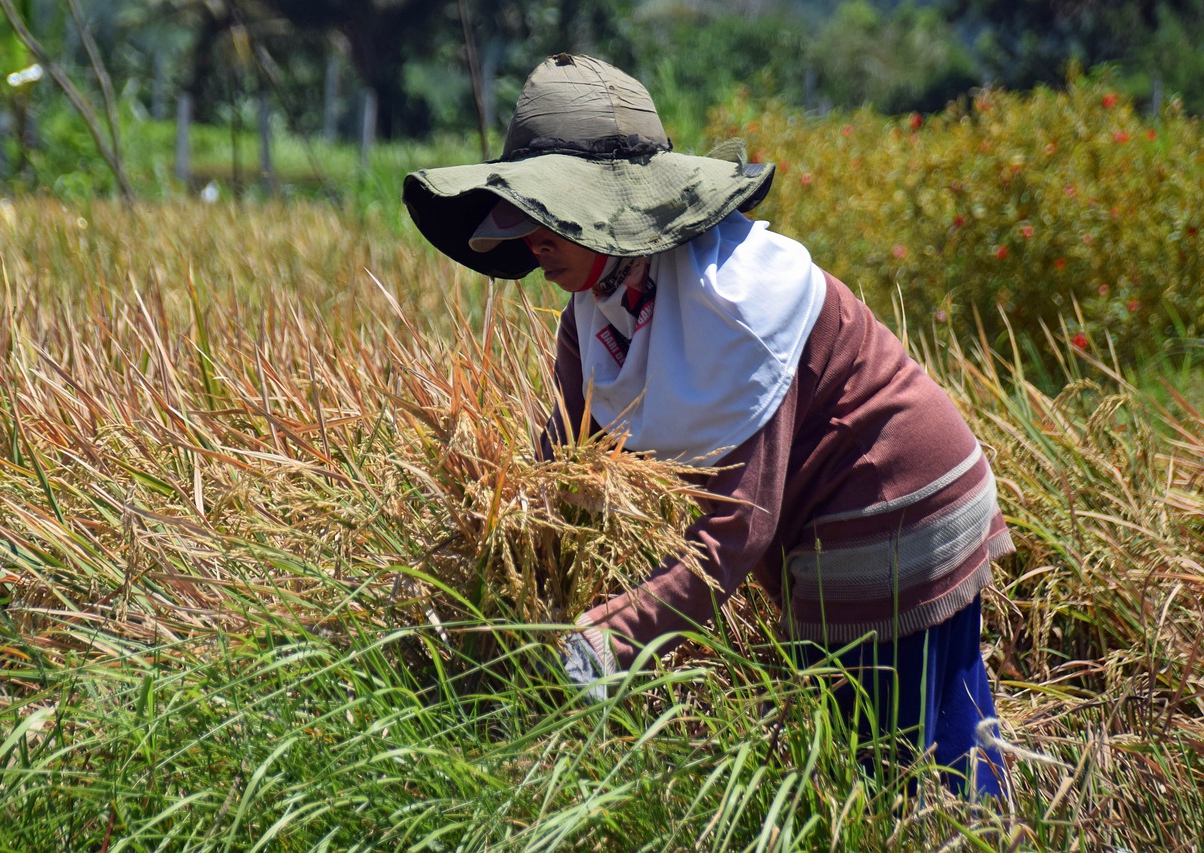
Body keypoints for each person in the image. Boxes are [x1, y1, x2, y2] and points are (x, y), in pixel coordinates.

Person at [402, 53, 1014, 799]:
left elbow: (737, 530)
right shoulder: (593, 312)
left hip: (891, 503)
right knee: (877, 749)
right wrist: (512, 579)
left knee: (901, 764)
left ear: (614, 210)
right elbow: (561, 468)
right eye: (526, 215)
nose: (532, 238)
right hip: (820, 523)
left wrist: (614, 635)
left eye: (550, 214)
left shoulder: (738, 305)